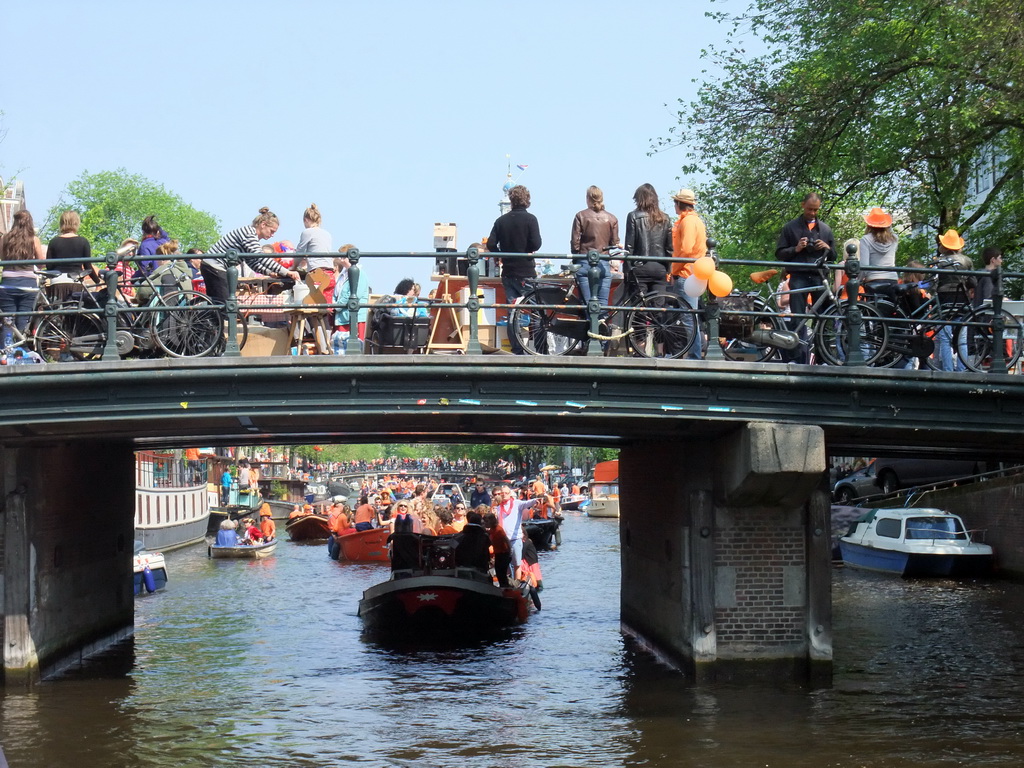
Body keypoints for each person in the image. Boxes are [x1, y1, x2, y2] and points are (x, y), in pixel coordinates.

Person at [775, 193, 836, 363]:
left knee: (823, 317)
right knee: (798, 317)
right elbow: (780, 253)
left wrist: (827, 248)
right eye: (810, 209)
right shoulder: (790, 228)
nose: (813, 213)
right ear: (802, 205)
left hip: (818, 276)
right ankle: (797, 358)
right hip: (799, 275)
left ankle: (822, 358)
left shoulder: (825, 229)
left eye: (816, 210)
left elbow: (834, 256)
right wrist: (796, 248)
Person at [202, 207, 302, 303]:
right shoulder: (248, 233)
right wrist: (286, 272)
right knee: (225, 304)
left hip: (212, 266)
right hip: (214, 267)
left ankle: (210, 319)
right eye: (271, 231)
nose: (272, 235)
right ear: (263, 224)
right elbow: (260, 258)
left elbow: (252, 262)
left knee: (220, 304)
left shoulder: (250, 235)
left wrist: (270, 272)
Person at [670, 189, 707, 360]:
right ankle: (695, 354)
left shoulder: (688, 222)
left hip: (686, 273)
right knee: (691, 317)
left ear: (679, 204)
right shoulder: (696, 220)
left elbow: (685, 249)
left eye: (675, 202)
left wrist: (674, 270)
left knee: (688, 318)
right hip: (695, 273)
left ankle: (694, 357)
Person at [488, 185, 542, 303]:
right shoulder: (531, 219)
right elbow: (536, 244)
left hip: (508, 272)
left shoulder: (500, 221)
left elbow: (491, 244)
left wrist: (500, 255)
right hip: (526, 270)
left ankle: (514, 321)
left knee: (512, 309)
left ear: (511, 201)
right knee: (533, 306)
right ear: (527, 200)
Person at [0, 210, 45, 347]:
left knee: (7, 321)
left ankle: (5, 353)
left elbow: (2, 258)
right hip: (28, 285)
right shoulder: (34, 239)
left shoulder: (5, 238)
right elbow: (41, 262)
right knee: (23, 321)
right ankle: (21, 351)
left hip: (8, 284)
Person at [570, 185, 618, 315]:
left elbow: (575, 243)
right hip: (603, 263)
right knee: (602, 304)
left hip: (585, 261)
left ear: (587, 199)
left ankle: (589, 332)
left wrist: (576, 258)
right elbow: (614, 243)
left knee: (588, 304)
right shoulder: (612, 218)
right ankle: (600, 330)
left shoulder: (580, 216)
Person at [623, 183, 673, 302]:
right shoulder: (665, 218)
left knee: (639, 306)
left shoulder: (633, 216)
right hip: (660, 267)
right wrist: (668, 269)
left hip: (640, 267)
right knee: (659, 305)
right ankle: (657, 320)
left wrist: (627, 270)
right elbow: (669, 248)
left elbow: (629, 246)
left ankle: (640, 319)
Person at [934, 229, 974, 372]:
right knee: (961, 338)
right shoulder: (967, 261)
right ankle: (962, 369)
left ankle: (947, 369)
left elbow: (933, 281)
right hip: (961, 299)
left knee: (944, 338)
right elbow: (972, 281)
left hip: (944, 300)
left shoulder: (939, 261)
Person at [331, 245, 370, 354]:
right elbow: (337, 292)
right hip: (342, 316)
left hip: (353, 317)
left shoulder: (360, 274)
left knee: (352, 348)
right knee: (340, 347)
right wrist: (335, 304)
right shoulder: (343, 274)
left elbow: (354, 294)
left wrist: (337, 306)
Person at [493, 484, 539, 568]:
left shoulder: (517, 503)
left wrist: (535, 500)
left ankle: (517, 580)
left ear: (510, 494)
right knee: (505, 565)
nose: (504, 495)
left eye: (506, 493)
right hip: (503, 540)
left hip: (515, 539)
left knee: (517, 564)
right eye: (502, 493)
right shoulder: (498, 507)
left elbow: (527, 503)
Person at [46, 210, 99, 283]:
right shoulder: (83, 241)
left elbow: (49, 266)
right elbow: (88, 267)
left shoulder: (53, 242)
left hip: (57, 280)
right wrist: (98, 281)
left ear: (61, 223)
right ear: (76, 223)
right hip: (76, 279)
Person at [482, 511, 512, 587]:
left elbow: (506, 540)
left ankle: (505, 588)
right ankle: (503, 587)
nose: (485, 523)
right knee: (499, 572)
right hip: (498, 553)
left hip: (503, 553)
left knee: (501, 572)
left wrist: (510, 551)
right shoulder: (492, 530)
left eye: (487, 521)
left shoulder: (498, 530)